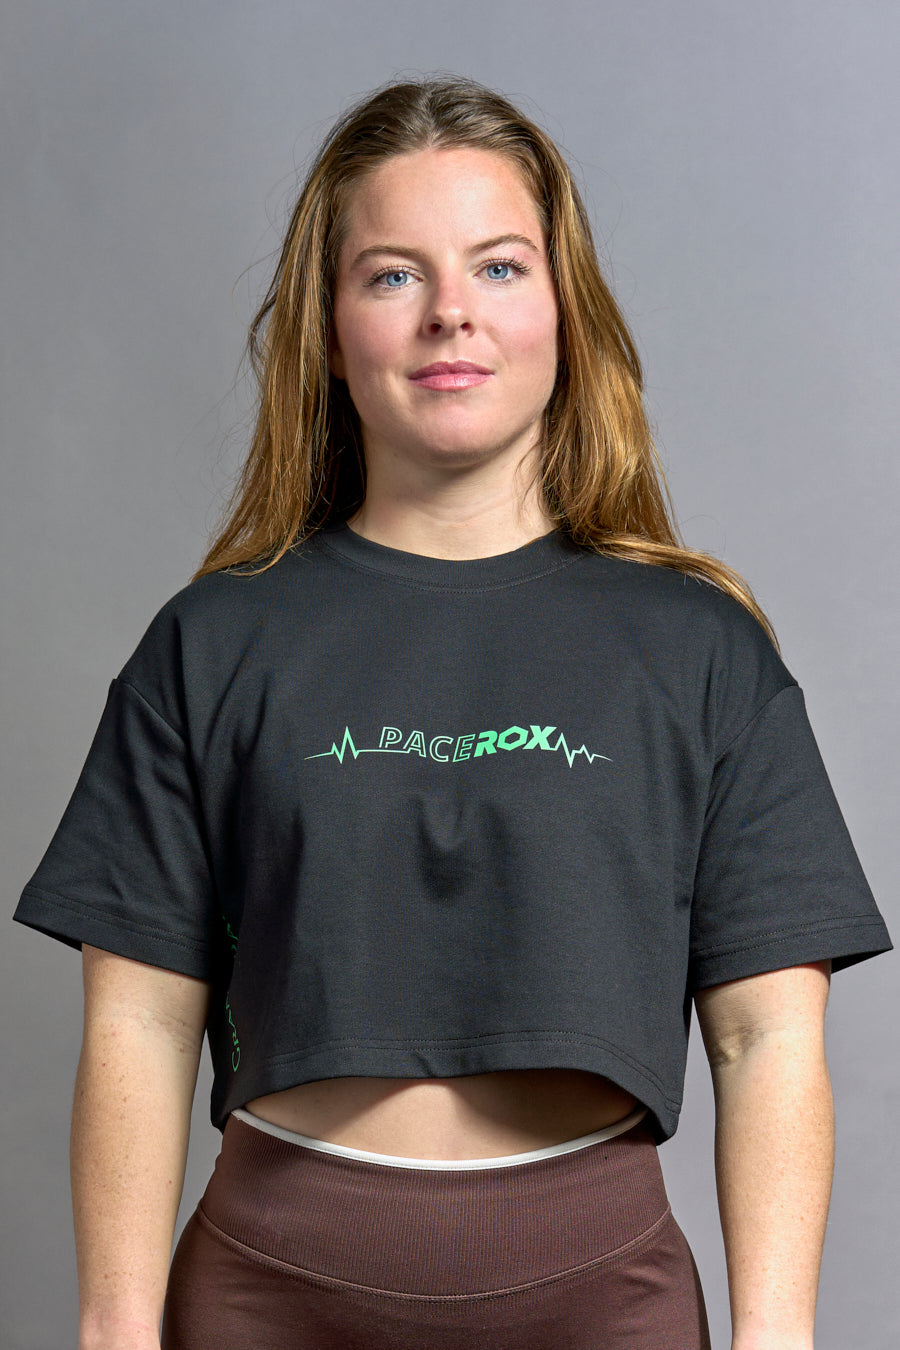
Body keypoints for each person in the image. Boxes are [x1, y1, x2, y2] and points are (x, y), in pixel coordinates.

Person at [14, 74, 892, 1350]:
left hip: (600, 1301)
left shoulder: (703, 649)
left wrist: (778, 1341)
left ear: (564, 311)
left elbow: (766, 1041)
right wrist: (113, 1332)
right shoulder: (210, 643)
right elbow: (141, 1021)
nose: (449, 315)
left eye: (498, 267)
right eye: (392, 275)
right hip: (267, 1297)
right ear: (329, 330)